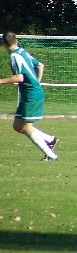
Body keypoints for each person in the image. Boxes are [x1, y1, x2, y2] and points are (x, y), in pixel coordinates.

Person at [0, 32, 59, 161]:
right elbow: (40, 65)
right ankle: (50, 140)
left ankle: (51, 156)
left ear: (4, 44)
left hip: (31, 94)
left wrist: (1, 81)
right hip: (29, 94)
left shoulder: (14, 56)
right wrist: (37, 82)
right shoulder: (22, 52)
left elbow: (19, 77)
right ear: (16, 40)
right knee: (17, 126)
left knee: (27, 128)